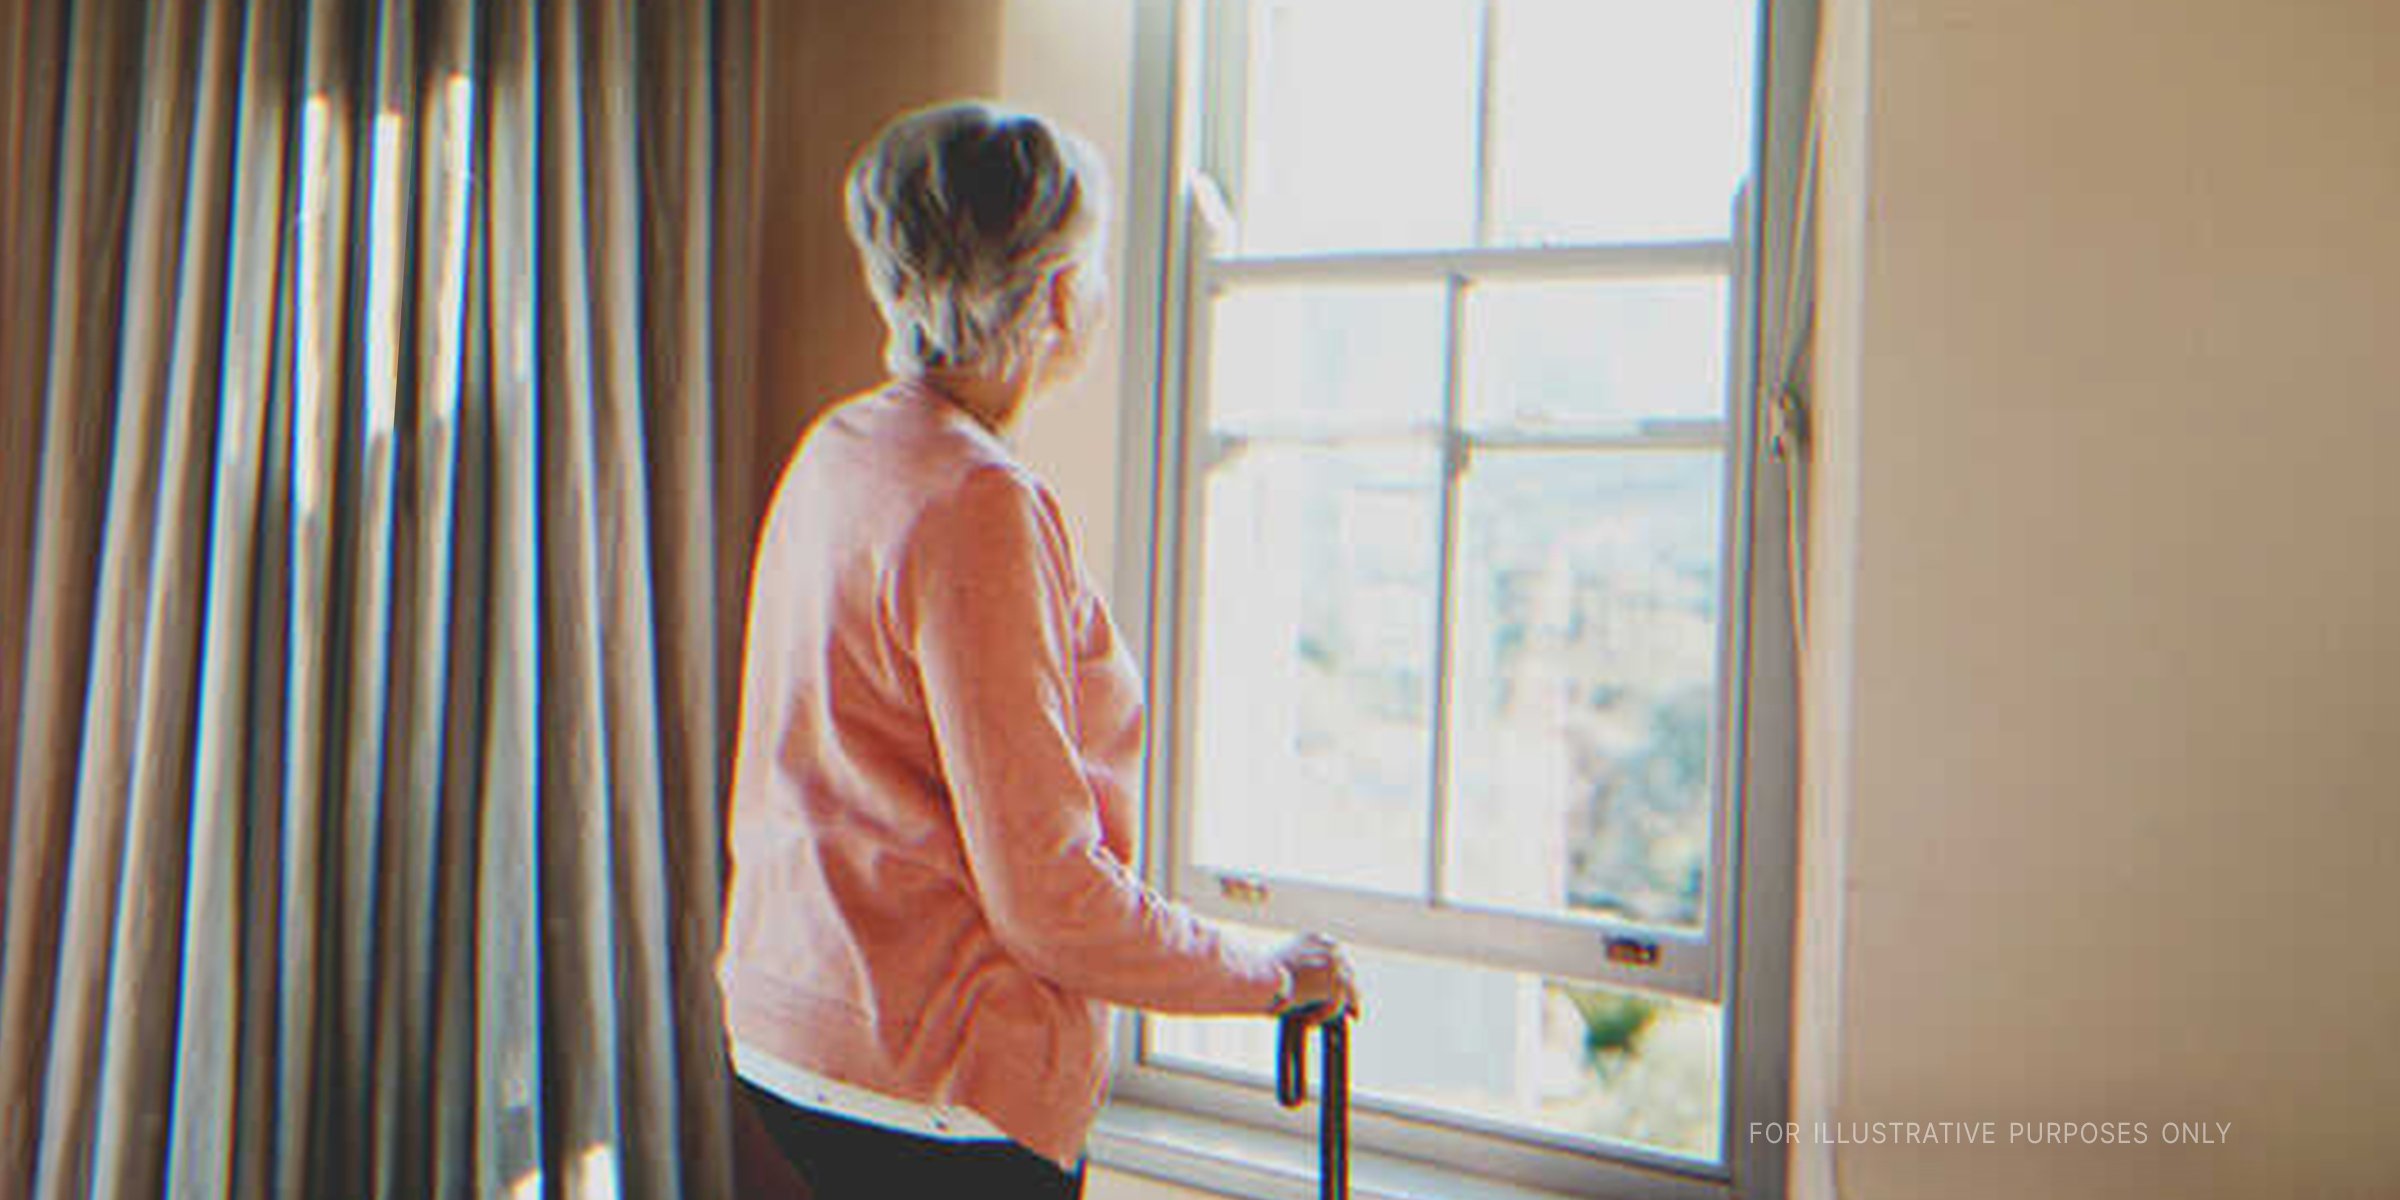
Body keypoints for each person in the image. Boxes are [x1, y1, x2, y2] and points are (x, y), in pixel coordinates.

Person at [718, 100, 1360, 1200]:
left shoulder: (841, 447)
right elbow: (1051, 896)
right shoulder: (980, 504)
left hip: (789, 1037)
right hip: (933, 1082)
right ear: (1063, 294)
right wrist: (1270, 975)